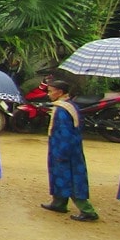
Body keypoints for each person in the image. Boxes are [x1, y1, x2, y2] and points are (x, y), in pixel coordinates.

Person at [40, 80, 99, 222]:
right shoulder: (70, 105)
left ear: (59, 92)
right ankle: (58, 202)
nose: (48, 94)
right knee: (60, 175)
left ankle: (87, 210)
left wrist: (62, 152)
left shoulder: (62, 110)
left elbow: (65, 132)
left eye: (50, 91)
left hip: (65, 149)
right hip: (66, 148)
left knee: (71, 178)